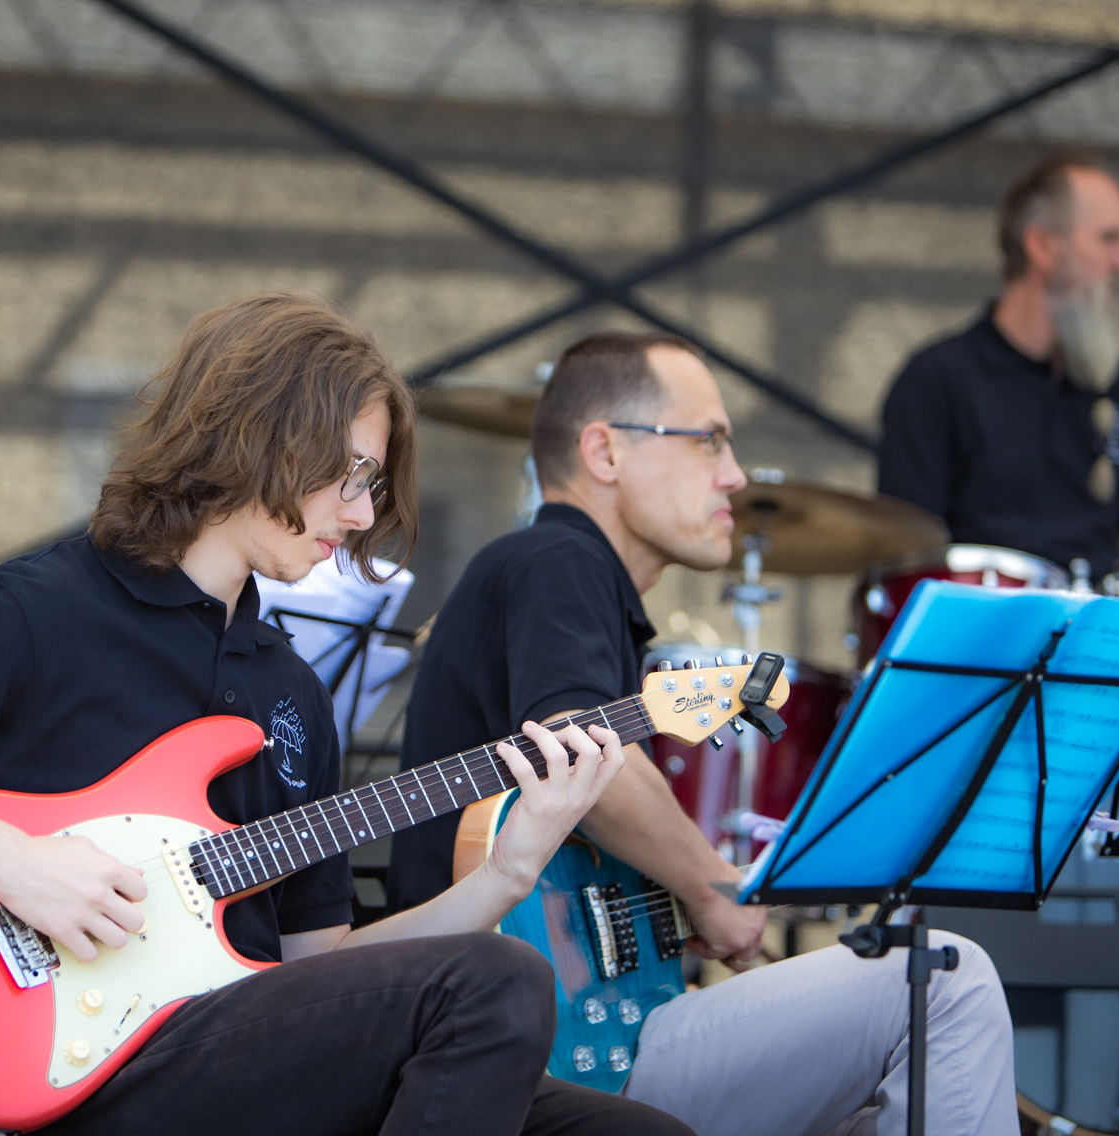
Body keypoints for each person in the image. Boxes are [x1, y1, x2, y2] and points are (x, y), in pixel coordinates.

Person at [0, 293, 691, 1136]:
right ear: (262, 437)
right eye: (351, 475)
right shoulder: (37, 609)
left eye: (372, 485)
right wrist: (14, 862)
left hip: (237, 1047)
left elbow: (323, 968)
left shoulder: (289, 690)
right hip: (81, 1066)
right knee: (496, 981)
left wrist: (511, 867)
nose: (360, 514)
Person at [386, 331, 1020, 1136]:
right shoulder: (557, 560)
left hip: (580, 1035)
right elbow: (585, 750)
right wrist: (715, 889)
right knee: (947, 985)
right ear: (605, 453)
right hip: (542, 1056)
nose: (736, 476)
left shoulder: (566, 580)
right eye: (709, 440)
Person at [877, 154, 1119, 585]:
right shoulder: (937, 379)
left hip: (1099, 622)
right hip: (984, 620)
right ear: (1043, 246)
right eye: (1109, 239)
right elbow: (907, 553)